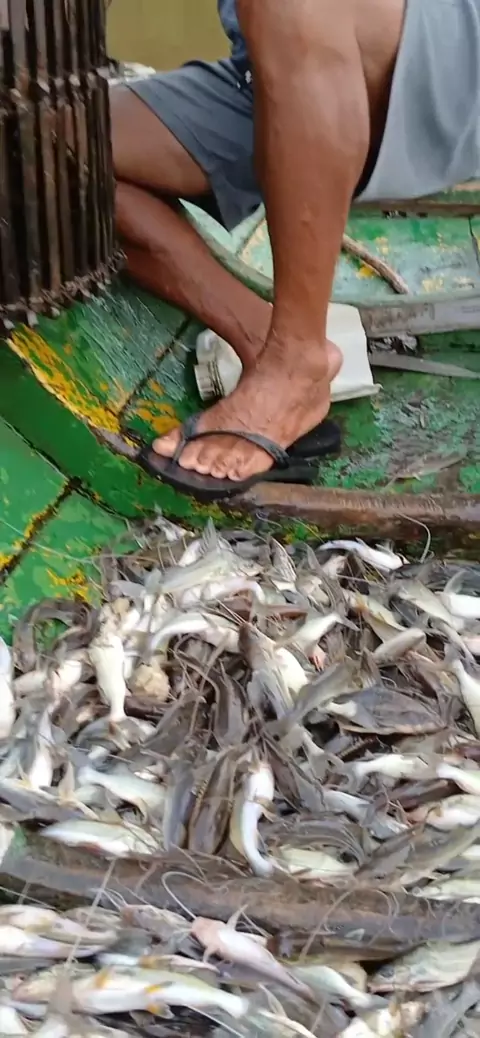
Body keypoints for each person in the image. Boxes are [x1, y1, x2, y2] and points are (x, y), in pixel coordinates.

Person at [112, 0, 480, 501]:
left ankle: (294, 359)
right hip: (280, 66)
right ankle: (262, 339)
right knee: (41, 144)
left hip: (425, 43)